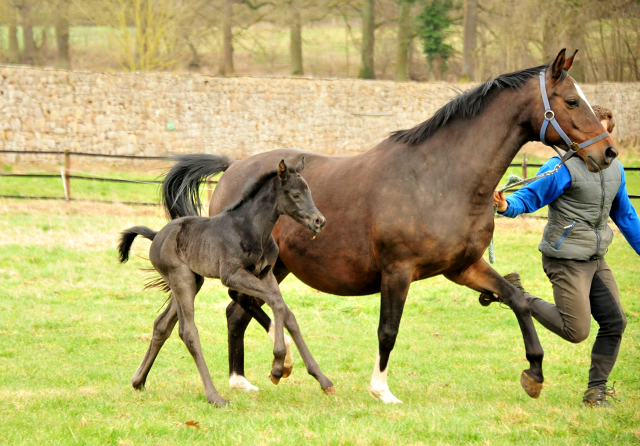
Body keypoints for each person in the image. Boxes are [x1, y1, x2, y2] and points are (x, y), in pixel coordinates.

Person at [483, 105, 640, 407]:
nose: (600, 138)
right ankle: (512, 293)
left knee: (615, 321)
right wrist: (505, 206)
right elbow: (531, 196)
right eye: (594, 130)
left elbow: (627, 216)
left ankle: (596, 393)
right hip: (565, 258)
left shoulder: (616, 170)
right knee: (576, 331)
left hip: (595, 259)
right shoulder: (562, 167)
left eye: (605, 132)